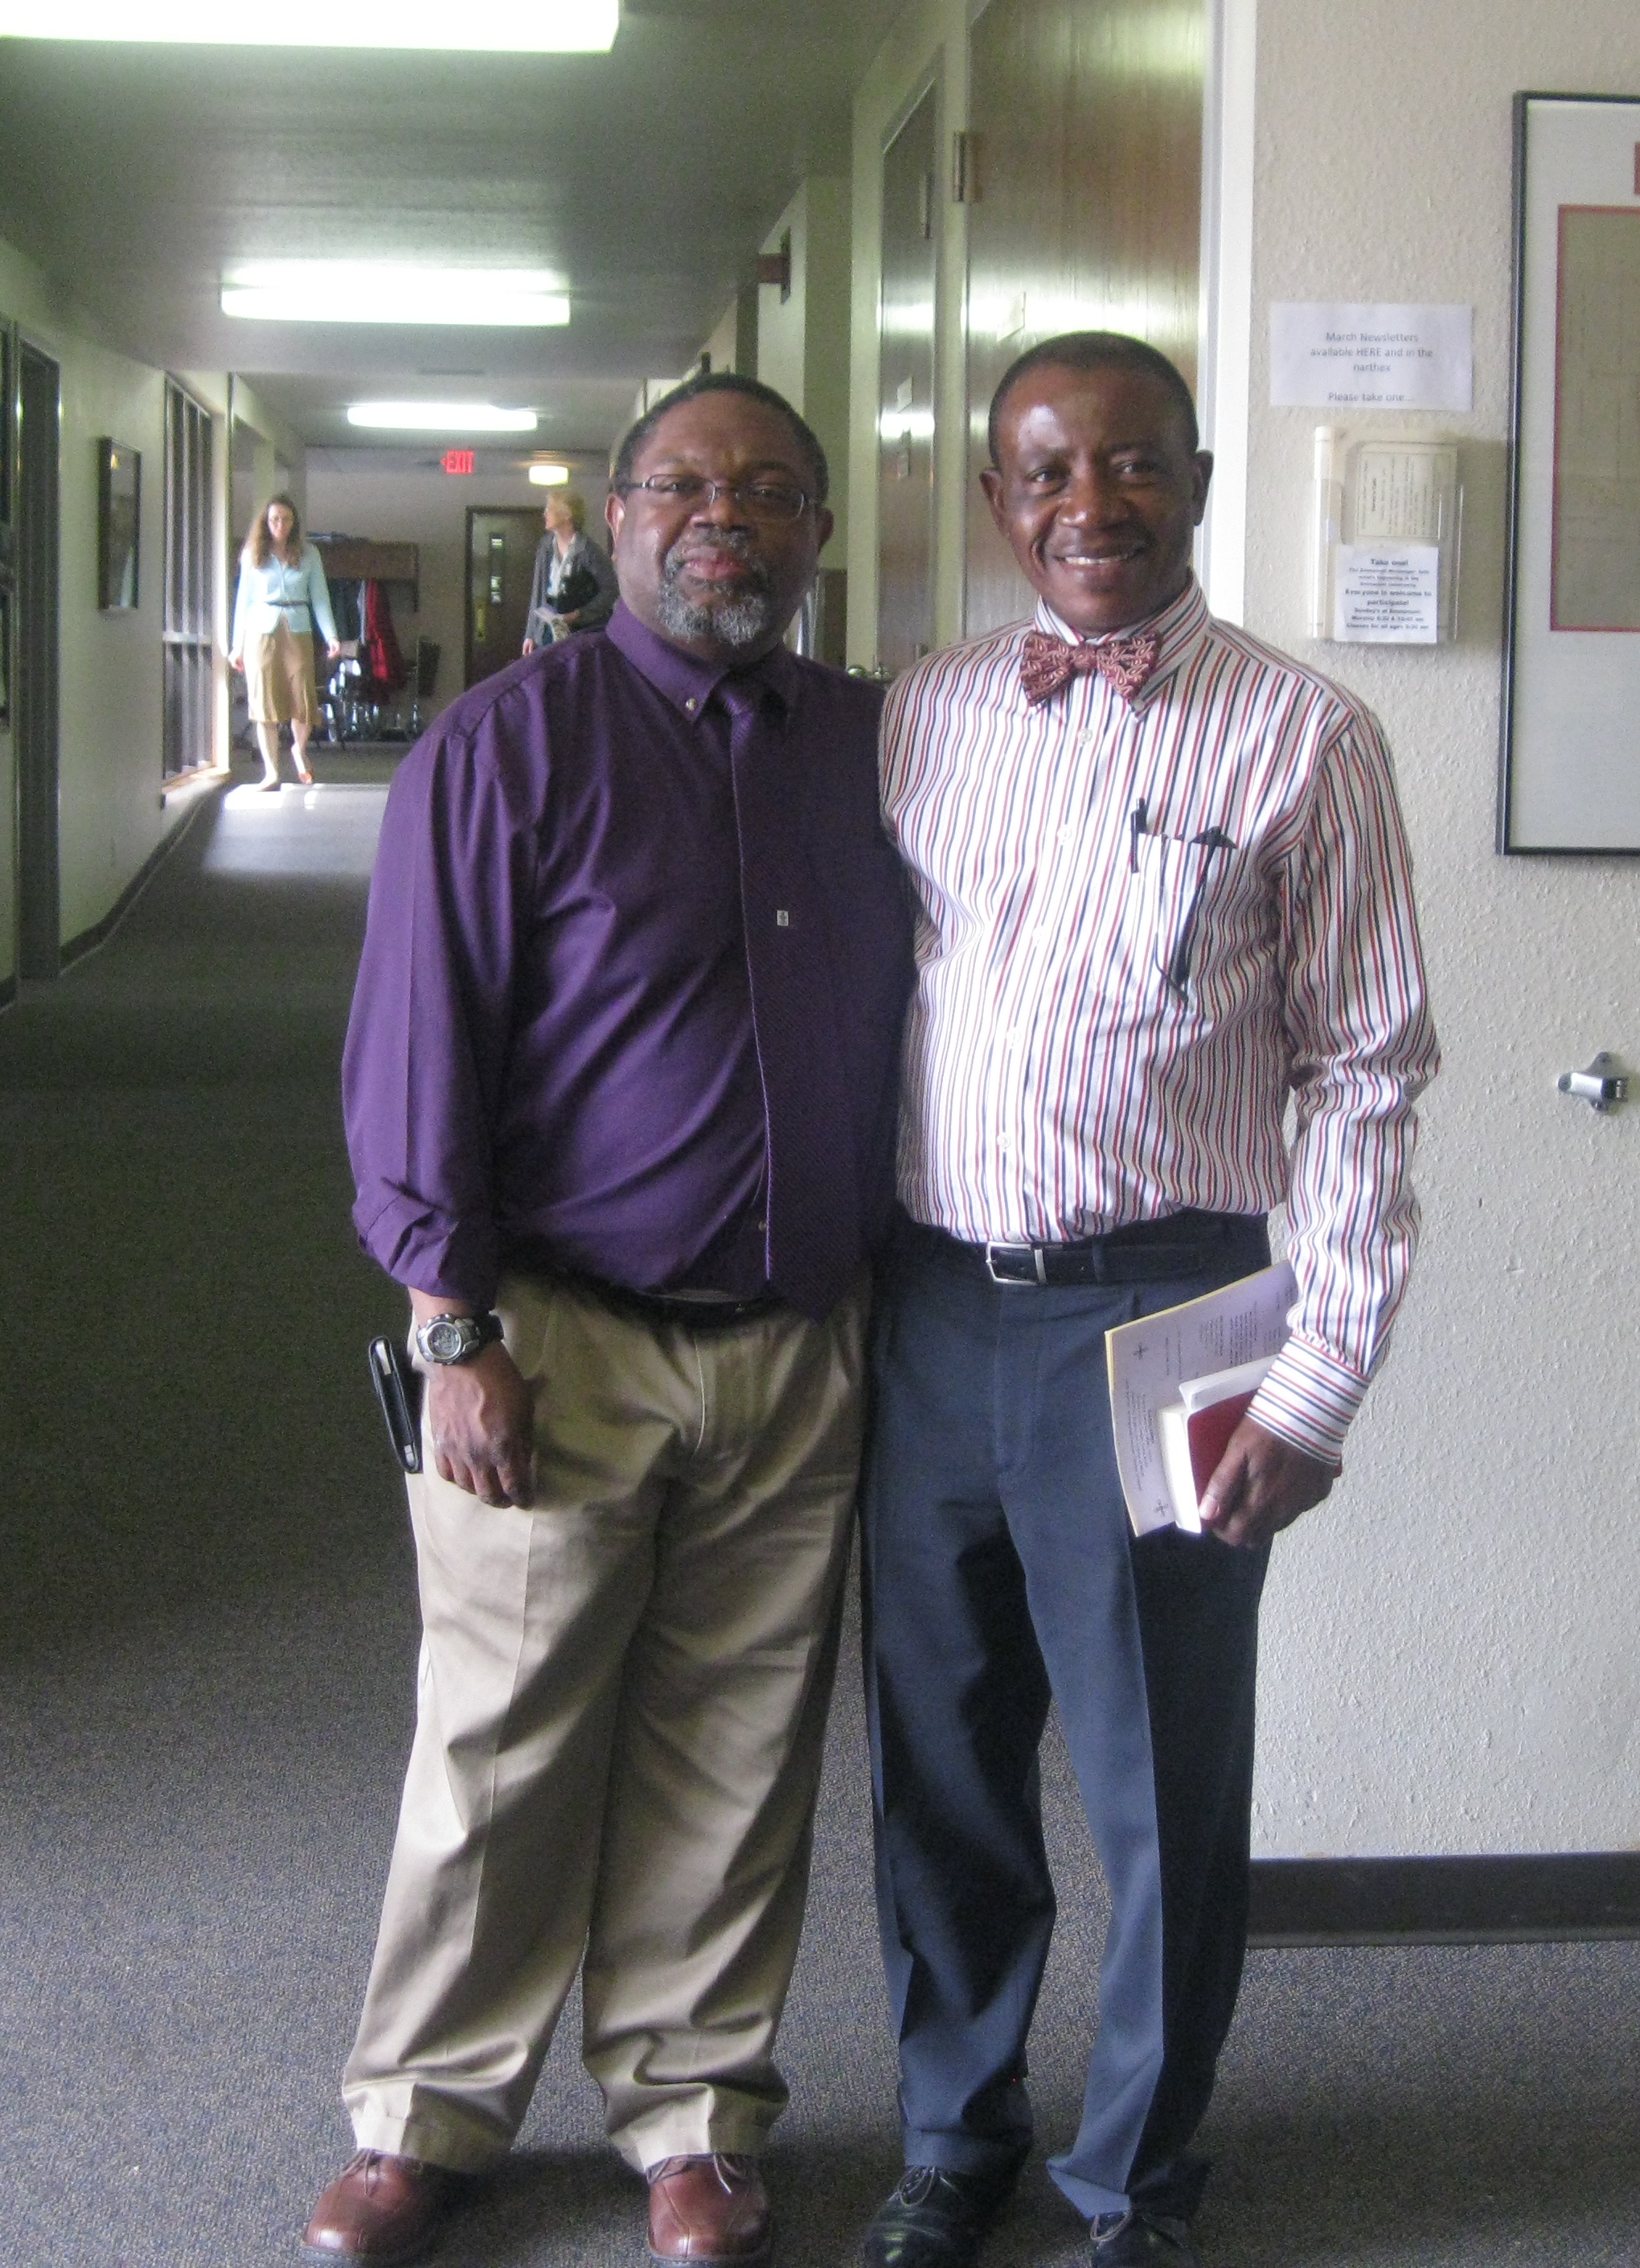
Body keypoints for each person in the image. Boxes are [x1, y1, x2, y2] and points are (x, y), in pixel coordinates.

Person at [317, 374, 916, 2268]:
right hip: (555, 1335)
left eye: (767, 490)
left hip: (799, 1339)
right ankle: (426, 2115)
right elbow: (416, 1053)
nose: (722, 516)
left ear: (818, 531)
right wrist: (449, 1325)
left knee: (739, 1746)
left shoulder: (875, 746)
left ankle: (693, 2108)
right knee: (500, 1744)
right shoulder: (505, 745)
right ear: (620, 518)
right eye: (681, 486)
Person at [856, 332, 1437, 2268]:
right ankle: (954, 2133)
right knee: (941, 1753)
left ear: (1191, 482)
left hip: (1169, 1309)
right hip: (936, 1307)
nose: (1086, 504)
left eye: (1126, 465)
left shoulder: (1303, 737)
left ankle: (1132, 2178)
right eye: (1045, 471)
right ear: (997, 500)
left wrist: (1318, 1377)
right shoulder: (922, 712)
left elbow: (1365, 1070)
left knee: (1158, 1777)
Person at [232, 495, 353, 787]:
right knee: (264, 701)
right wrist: (237, 645)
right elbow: (243, 602)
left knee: (303, 697)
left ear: (294, 522)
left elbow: (320, 598)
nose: (280, 525)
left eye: (286, 519)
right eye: (275, 519)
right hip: (261, 630)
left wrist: (331, 635)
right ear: (265, 522)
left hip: (298, 628)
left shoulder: (309, 554)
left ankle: (299, 749)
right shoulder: (252, 554)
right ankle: (272, 771)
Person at [522, 487, 620, 654]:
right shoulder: (545, 546)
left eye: (550, 509)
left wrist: (579, 615)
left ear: (567, 514)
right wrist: (530, 634)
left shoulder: (589, 551)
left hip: (580, 631)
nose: (545, 514)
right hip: (548, 628)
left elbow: (611, 590)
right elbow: (538, 592)